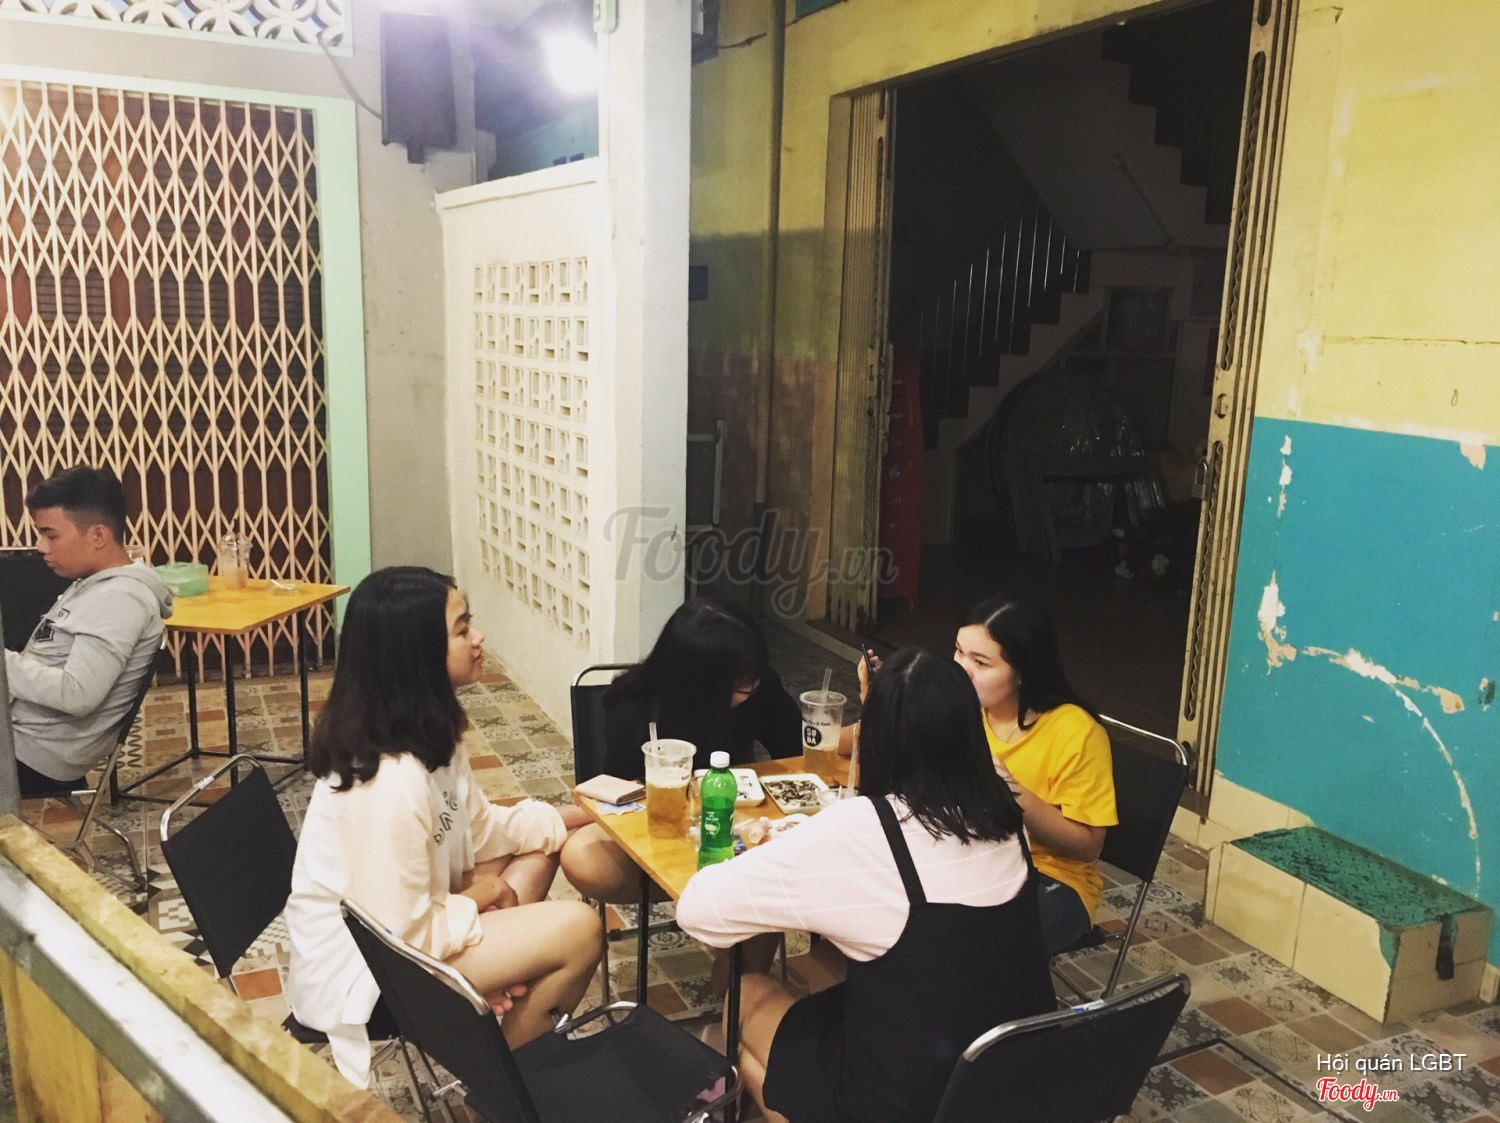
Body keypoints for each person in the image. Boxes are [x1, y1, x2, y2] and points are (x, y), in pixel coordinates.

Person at [676, 649, 1054, 1123]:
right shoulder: (1001, 799)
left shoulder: (868, 828)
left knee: (747, 996)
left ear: (873, 737)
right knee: (834, 986)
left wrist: (784, 855)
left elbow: (698, 910)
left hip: (912, 1104)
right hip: (1014, 1080)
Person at [285, 566, 600, 1086]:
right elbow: (400, 937)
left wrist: (595, 811)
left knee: (538, 849)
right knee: (580, 930)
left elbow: (483, 830)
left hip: (411, 923)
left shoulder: (427, 733)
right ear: (418, 656)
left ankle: (496, 1015)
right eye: (462, 629)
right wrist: (484, 895)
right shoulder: (387, 780)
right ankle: (499, 1091)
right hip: (368, 976)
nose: (478, 638)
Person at [561, 599, 802, 903]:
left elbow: (798, 748)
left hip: (737, 829)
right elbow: (621, 801)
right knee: (582, 856)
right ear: (701, 681)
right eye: (740, 681)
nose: (752, 687)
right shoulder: (635, 708)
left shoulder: (757, 688)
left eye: (755, 673)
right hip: (659, 833)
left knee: (775, 874)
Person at [954, 593, 1117, 954]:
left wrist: (1009, 791)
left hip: (1052, 878)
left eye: (980, 662)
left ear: (1022, 672)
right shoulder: (964, 707)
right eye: (959, 652)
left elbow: (1088, 846)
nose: (962, 669)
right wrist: (881, 700)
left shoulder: (1075, 731)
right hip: (974, 857)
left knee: (967, 947)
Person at [5, 466, 172, 797]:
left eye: (51, 535)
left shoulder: (119, 599)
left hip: (33, 754)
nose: (41, 547)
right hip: (23, 734)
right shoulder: (95, 584)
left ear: (97, 536)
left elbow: (78, 694)